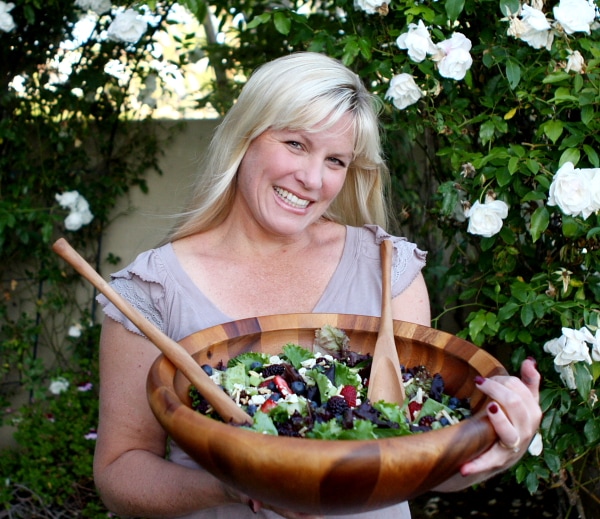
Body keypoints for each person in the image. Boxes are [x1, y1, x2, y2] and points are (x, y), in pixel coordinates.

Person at [94, 52, 542, 519]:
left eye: (335, 160)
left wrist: (499, 445)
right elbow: (119, 472)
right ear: (244, 135)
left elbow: (417, 460)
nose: (311, 179)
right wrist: (235, 486)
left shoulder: (386, 267)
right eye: (294, 143)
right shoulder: (154, 289)